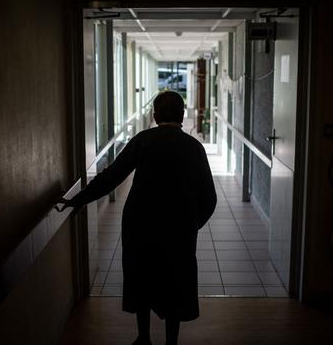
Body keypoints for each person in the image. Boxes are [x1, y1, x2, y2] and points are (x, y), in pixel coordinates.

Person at [58, 91, 217, 345]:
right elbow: (210, 198)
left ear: (154, 116)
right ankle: (171, 341)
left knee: (141, 276)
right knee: (174, 281)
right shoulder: (194, 148)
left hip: (140, 225)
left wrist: (78, 199)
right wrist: (190, 225)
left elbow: (112, 177)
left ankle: (143, 337)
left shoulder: (142, 141)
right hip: (179, 230)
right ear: (182, 116)